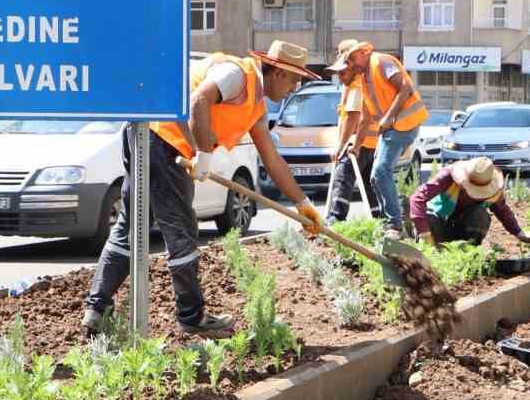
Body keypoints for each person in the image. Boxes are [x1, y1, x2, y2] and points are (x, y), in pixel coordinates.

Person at [84, 40, 325, 336]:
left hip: (149, 133)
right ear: (277, 73)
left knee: (131, 225)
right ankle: (191, 316)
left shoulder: (257, 107)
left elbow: (272, 159)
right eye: (295, 80)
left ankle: (96, 309)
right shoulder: (238, 74)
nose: (295, 88)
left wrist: (303, 204)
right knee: (181, 230)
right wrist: (204, 154)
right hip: (164, 139)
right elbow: (198, 99)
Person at [327, 41, 428, 227]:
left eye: (352, 59)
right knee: (375, 177)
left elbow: (405, 87)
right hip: (390, 130)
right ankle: (388, 218)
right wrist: (356, 146)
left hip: (405, 124)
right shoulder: (364, 77)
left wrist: (389, 118)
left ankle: (394, 223)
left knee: (381, 172)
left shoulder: (381, 62)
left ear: (363, 52)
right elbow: (365, 115)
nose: (351, 65)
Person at [409, 156, 530, 250]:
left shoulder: (493, 189)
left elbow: (502, 210)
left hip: (465, 229)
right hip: (439, 224)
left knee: (480, 215)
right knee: (430, 219)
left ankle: (466, 253)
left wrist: (520, 233)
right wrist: (424, 233)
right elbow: (417, 198)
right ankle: (433, 253)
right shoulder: (448, 175)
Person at [324, 45, 381, 223]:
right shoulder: (360, 82)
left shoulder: (357, 85)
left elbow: (353, 116)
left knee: (342, 177)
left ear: (351, 66)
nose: (340, 78)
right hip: (370, 143)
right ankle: (379, 219)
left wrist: (340, 147)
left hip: (357, 144)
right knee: (369, 185)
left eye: (342, 73)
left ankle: (335, 219)